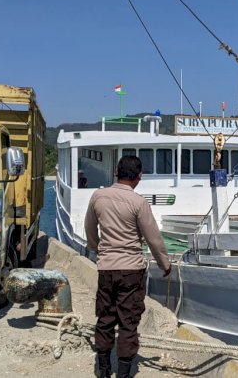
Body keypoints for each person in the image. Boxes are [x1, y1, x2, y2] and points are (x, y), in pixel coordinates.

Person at [84, 156, 171, 378]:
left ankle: (103, 370)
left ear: (116, 172)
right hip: (131, 270)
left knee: (105, 317)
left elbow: (90, 228)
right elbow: (153, 239)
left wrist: (97, 248)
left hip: (106, 268)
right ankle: (123, 373)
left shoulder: (98, 196)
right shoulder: (138, 203)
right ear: (139, 176)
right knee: (128, 322)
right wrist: (165, 264)